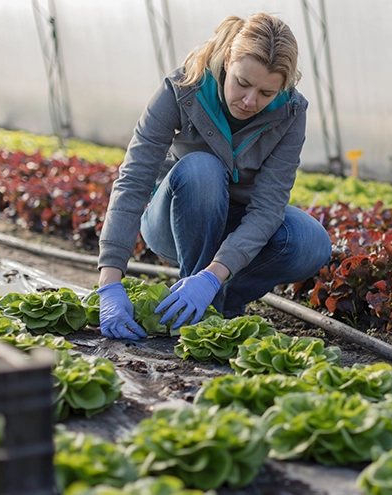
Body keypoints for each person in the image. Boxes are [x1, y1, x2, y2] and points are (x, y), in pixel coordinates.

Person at [96, 12, 333, 340]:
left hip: (237, 224)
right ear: (228, 61)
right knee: (202, 168)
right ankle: (195, 303)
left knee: (310, 242)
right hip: (175, 217)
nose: (250, 101)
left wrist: (212, 277)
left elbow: (268, 207)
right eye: (243, 83)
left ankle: (217, 302)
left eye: (266, 93)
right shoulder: (183, 88)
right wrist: (109, 281)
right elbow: (134, 178)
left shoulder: (291, 112)